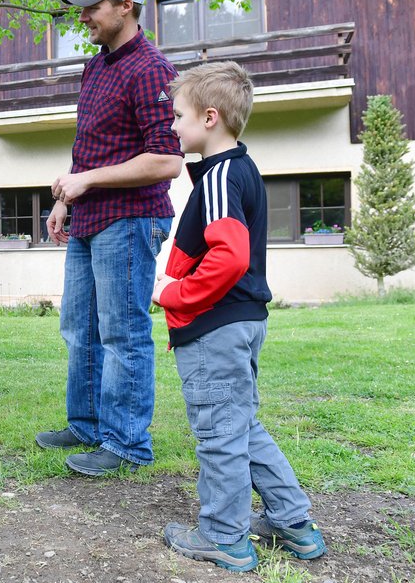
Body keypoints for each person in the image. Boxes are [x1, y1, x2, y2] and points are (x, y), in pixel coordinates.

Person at [153, 62, 326, 572]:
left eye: (178, 115)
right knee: (241, 426)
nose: (172, 126)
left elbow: (229, 257)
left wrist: (176, 294)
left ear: (210, 118)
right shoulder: (235, 170)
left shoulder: (222, 174)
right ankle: (292, 522)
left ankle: (224, 536)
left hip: (216, 325)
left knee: (220, 433)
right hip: (240, 321)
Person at [35, 0, 184, 476]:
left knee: (123, 334)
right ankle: (87, 424)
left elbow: (167, 159)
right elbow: (91, 149)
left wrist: (90, 182)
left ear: (126, 6)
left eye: (93, 7)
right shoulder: (97, 66)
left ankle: (126, 443)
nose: (84, 16)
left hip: (131, 219)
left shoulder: (152, 70)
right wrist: (66, 198)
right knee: (80, 328)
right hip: (90, 217)